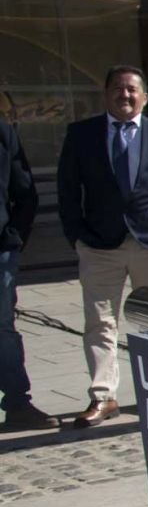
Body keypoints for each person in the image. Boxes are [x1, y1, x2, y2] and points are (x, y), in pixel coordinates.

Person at [57, 67, 148, 428]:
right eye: (118, 88)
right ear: (105, 95)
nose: (125, 95)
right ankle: (103, 397)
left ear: (145, 97)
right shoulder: (82, 135)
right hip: (99, 245)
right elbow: (68, 191)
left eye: (133, 89)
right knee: (100, 323)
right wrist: (77, 236)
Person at [1, 113, 53, 430]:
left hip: (0, 249)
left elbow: (25, 192)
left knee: (3, 329)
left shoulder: (4, 134)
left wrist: (14, 240)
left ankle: (18, 404)